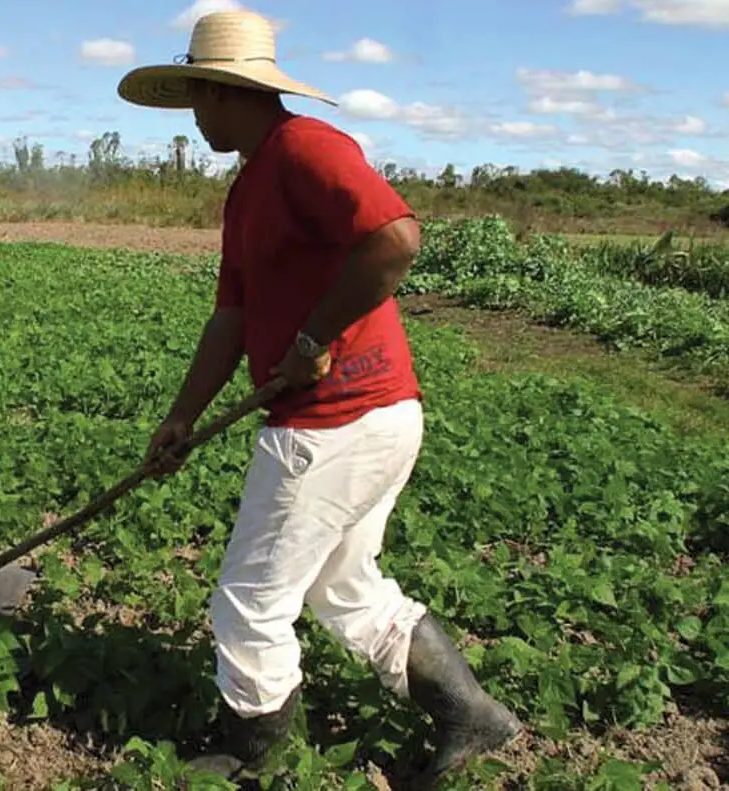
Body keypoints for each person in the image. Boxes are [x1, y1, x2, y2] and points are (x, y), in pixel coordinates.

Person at [116, 9, 522, 788]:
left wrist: (312, 338)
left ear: (224, 92)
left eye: (197, 100)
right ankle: (467, 711)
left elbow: (394, 239)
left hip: (336, 419)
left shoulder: (306, 148)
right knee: (343, 584)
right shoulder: (248, 189)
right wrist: (181, 416)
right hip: (366, 417)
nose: (194, 117)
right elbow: (230, 317)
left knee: (247, 601)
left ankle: (253, 754)